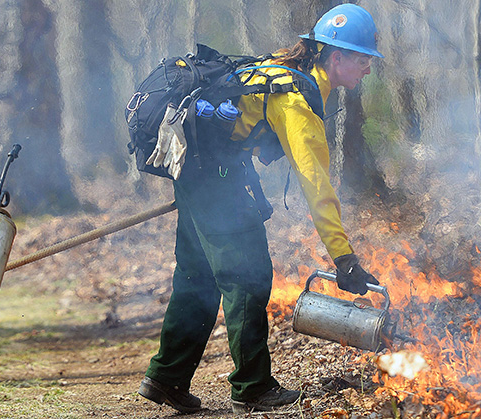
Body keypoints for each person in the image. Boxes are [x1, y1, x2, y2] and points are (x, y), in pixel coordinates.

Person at [139, 3, 383, 414]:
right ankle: (252, 387)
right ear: (336, 57)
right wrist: (344, 258)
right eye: (363, 59)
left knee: (197, 277)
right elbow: (317, 187)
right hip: (215, 178)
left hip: (200, 172)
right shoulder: (297, 102)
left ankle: (166, 377)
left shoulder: (284, 72)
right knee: (247, 278)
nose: (368, 69)